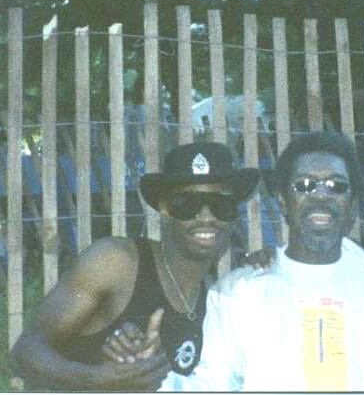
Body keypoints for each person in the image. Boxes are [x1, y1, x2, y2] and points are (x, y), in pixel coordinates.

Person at [169, 131, 364, 391]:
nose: (321, 196)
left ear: (353, 205)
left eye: (336, 186)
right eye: (305, 185)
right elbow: (213, 384)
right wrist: (152, 381)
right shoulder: (237, 293)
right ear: (284, 202)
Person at [10, 142, 260, 391]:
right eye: (188, 203)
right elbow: (25, 352)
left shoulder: (218, 299)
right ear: (164, 209)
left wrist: (270, 265)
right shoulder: (116, 262)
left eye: (221, 205)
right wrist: (102, 379)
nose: (206, 216)